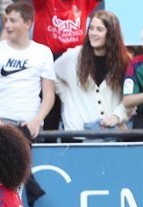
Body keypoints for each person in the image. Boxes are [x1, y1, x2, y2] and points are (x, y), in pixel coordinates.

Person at [0, 1, 53, 207]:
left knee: (11, 164)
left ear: (28, 23)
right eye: (6, 20)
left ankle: (25, 191)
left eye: (13, 20)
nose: (7, 25)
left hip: (31, 123)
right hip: (2, 121)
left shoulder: (43, 52)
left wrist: (37, 120)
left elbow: (49, 94)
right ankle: (30, 188)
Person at [54, 10, 132, 134]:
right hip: (77, 135)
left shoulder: (124, 62)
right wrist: (68, 96)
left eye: (99, 29)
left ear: (111, 34)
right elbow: (52, 75)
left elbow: (131, 98)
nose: (93, 33)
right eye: (91, 28)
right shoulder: (72, 57)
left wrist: (117, 116)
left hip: (112, 136)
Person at [32, 0, 101, 133]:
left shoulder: (84, 2)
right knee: (49, 110)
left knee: (75, 108)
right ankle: (48, 145)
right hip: (47, 59)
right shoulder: (45, 2)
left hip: (76, 61)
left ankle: (72, 141)